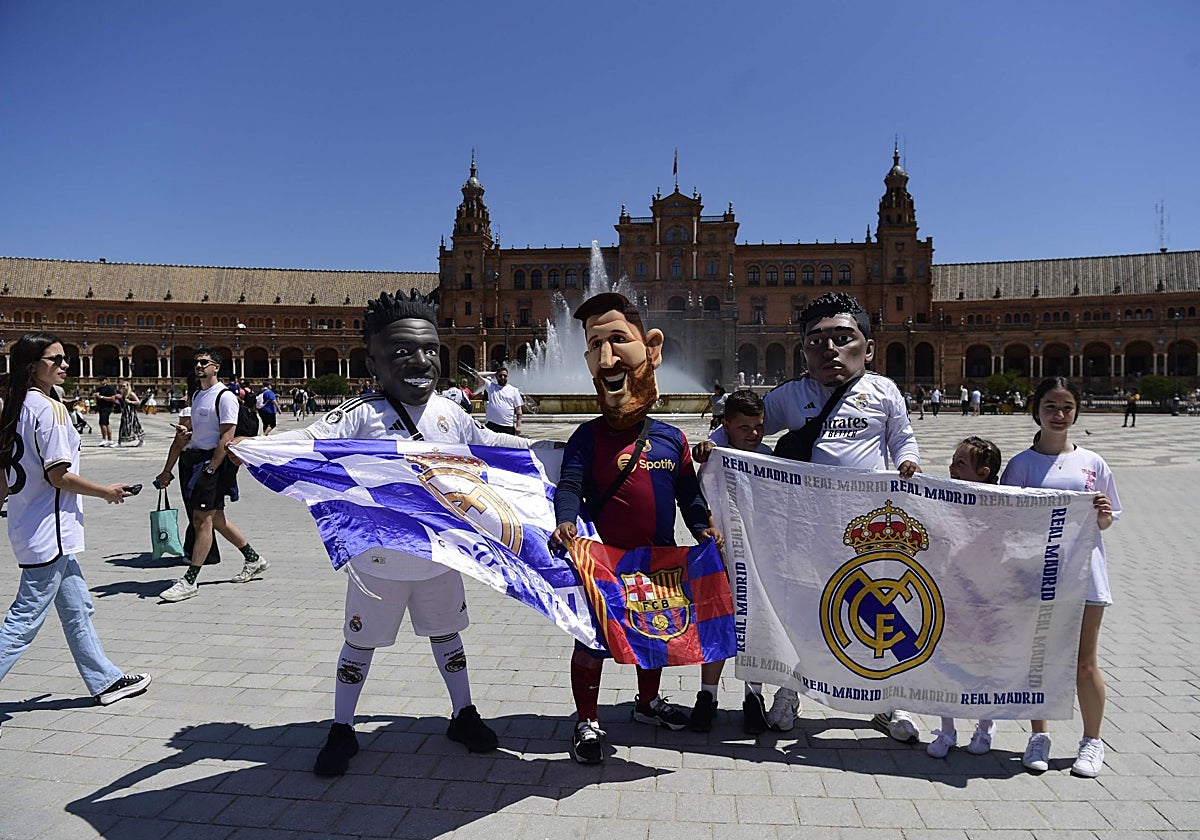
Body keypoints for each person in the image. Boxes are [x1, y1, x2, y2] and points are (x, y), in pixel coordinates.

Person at [261, 289, 529, 776]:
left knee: (448, 637)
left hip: (440, 559)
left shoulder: (450, 413)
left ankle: (463, 714)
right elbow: (306, 441)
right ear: (375, 361)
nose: (420, 361)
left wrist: (552, 451)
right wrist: (252, 445)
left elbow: (492, 446)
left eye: (430, 350)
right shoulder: (360, 414)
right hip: (378, 562)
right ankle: (342, 727)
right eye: (403, 351)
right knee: (359, 644)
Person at [549, 292, 722, 765]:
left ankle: (647, 705)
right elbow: (569, 485)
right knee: (592, 642)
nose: (607, 357)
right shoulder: (587, 437)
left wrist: (704, 528)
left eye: (618, 340)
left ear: (651, 349)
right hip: (603, 561)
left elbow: (689, 495)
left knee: (654, 636)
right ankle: (587, 721)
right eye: (595, 345)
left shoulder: (671, 437)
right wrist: (565, 520)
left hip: (658, 559)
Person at [762, 291, 922, 743]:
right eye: (816, 341)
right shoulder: (790, 397)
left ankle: (888, 702)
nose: (829, 349)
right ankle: (789, 691)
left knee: (880, 612)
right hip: (806, 527)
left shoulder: (883, 391)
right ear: (803, 351)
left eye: (843, 338)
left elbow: (902, 438)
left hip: (868, 530)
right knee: (801, 610)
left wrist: (909, 462)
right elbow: (745, 429)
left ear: (867, 349)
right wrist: (715, 448)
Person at [0, 333, 151, 707]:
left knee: (77, 606)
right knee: (24, 621)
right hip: (48, 530)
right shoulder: (50, 410)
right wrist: (106, 491)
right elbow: (58, 475)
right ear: (32, 366)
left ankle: (105, 680)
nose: (64, 365)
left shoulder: (15, 407)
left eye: (65, 358)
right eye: (55, 359)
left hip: (31, 524)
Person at [1001, 377, 1120, 778]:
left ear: (1076, 412)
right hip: (1040, 576)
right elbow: (1008, 522)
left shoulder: (1093, 463)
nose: (1059, 414)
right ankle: (1039, 735)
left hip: (1086, 573)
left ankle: (1092, 741)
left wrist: (1102, 516)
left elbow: (1107, 520)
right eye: (1051, 406)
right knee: (1041, 661)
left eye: (1067, 407)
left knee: (1084, 662)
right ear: (1035, 409)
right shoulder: (1020, 465)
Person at [689, 389, 801, 734]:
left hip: (758, 558)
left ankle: (753, 696)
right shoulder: (714, 456)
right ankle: (707, 696)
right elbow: (700, 499)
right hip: (720, 556)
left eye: (758, 426)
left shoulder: (766, 457)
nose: (753, 434)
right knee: (717, 626)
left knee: (755, 624)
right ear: (727, 425)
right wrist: (707, 526)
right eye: (744, 427)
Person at [156, 350, 268, 601]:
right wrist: (187, 432)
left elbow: (227, 437)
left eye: (204, 362)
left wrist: (212, 468)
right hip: (197, 459)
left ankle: (190, 580)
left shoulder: (225, 396)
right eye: (195, 362)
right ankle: (254, 559)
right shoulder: (197, 394)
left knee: (201, 520)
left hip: (212, 464)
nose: (198, 366)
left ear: (216, 367)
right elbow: (200, 429)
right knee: (216, 519)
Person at [926, 435, 1003, 759]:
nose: (952, 468)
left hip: (987, 601)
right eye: (953, 461)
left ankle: (985, 727)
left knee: (984, 666)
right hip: (950, 596)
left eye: (960, 463)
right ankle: (946, 730)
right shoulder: (946, 499)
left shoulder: (1003, 503)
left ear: (982, 472)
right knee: (946, 664)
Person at [476, 365, 523, 435]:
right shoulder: (491, 386)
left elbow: (519, 410)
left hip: (508, 425)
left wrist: (518, 426)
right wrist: (494, 373)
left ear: (508, 377)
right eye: (500, 376)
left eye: (505, 375)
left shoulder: (514, 390)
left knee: (507, 445)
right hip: (492, 425)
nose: (502, 377)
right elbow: (478, 374)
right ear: (496, 377)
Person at [116, 381, 144, 447]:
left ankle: (141, 439)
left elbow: (138, 402)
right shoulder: (123, 394)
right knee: (122, 426)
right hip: (125, 413)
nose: (122, 387)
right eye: (122, 386)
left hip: (131, 413)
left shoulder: (131, 394)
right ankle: (119, 441)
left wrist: (130, 402)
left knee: (135, 426)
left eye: (124, 386)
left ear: (127, 387)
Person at [93, 377, 119, 447]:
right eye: (100, 380)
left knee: (102, 423)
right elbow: (96, 397)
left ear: (106, 380)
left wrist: (101, 397)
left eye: (102, 380)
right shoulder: (99, 389)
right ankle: (109, 439)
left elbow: (112, 398)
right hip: (101, 407)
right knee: (106, 423)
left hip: (107, 407)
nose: (101, 382)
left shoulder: (110, 389)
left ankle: (105, 439)